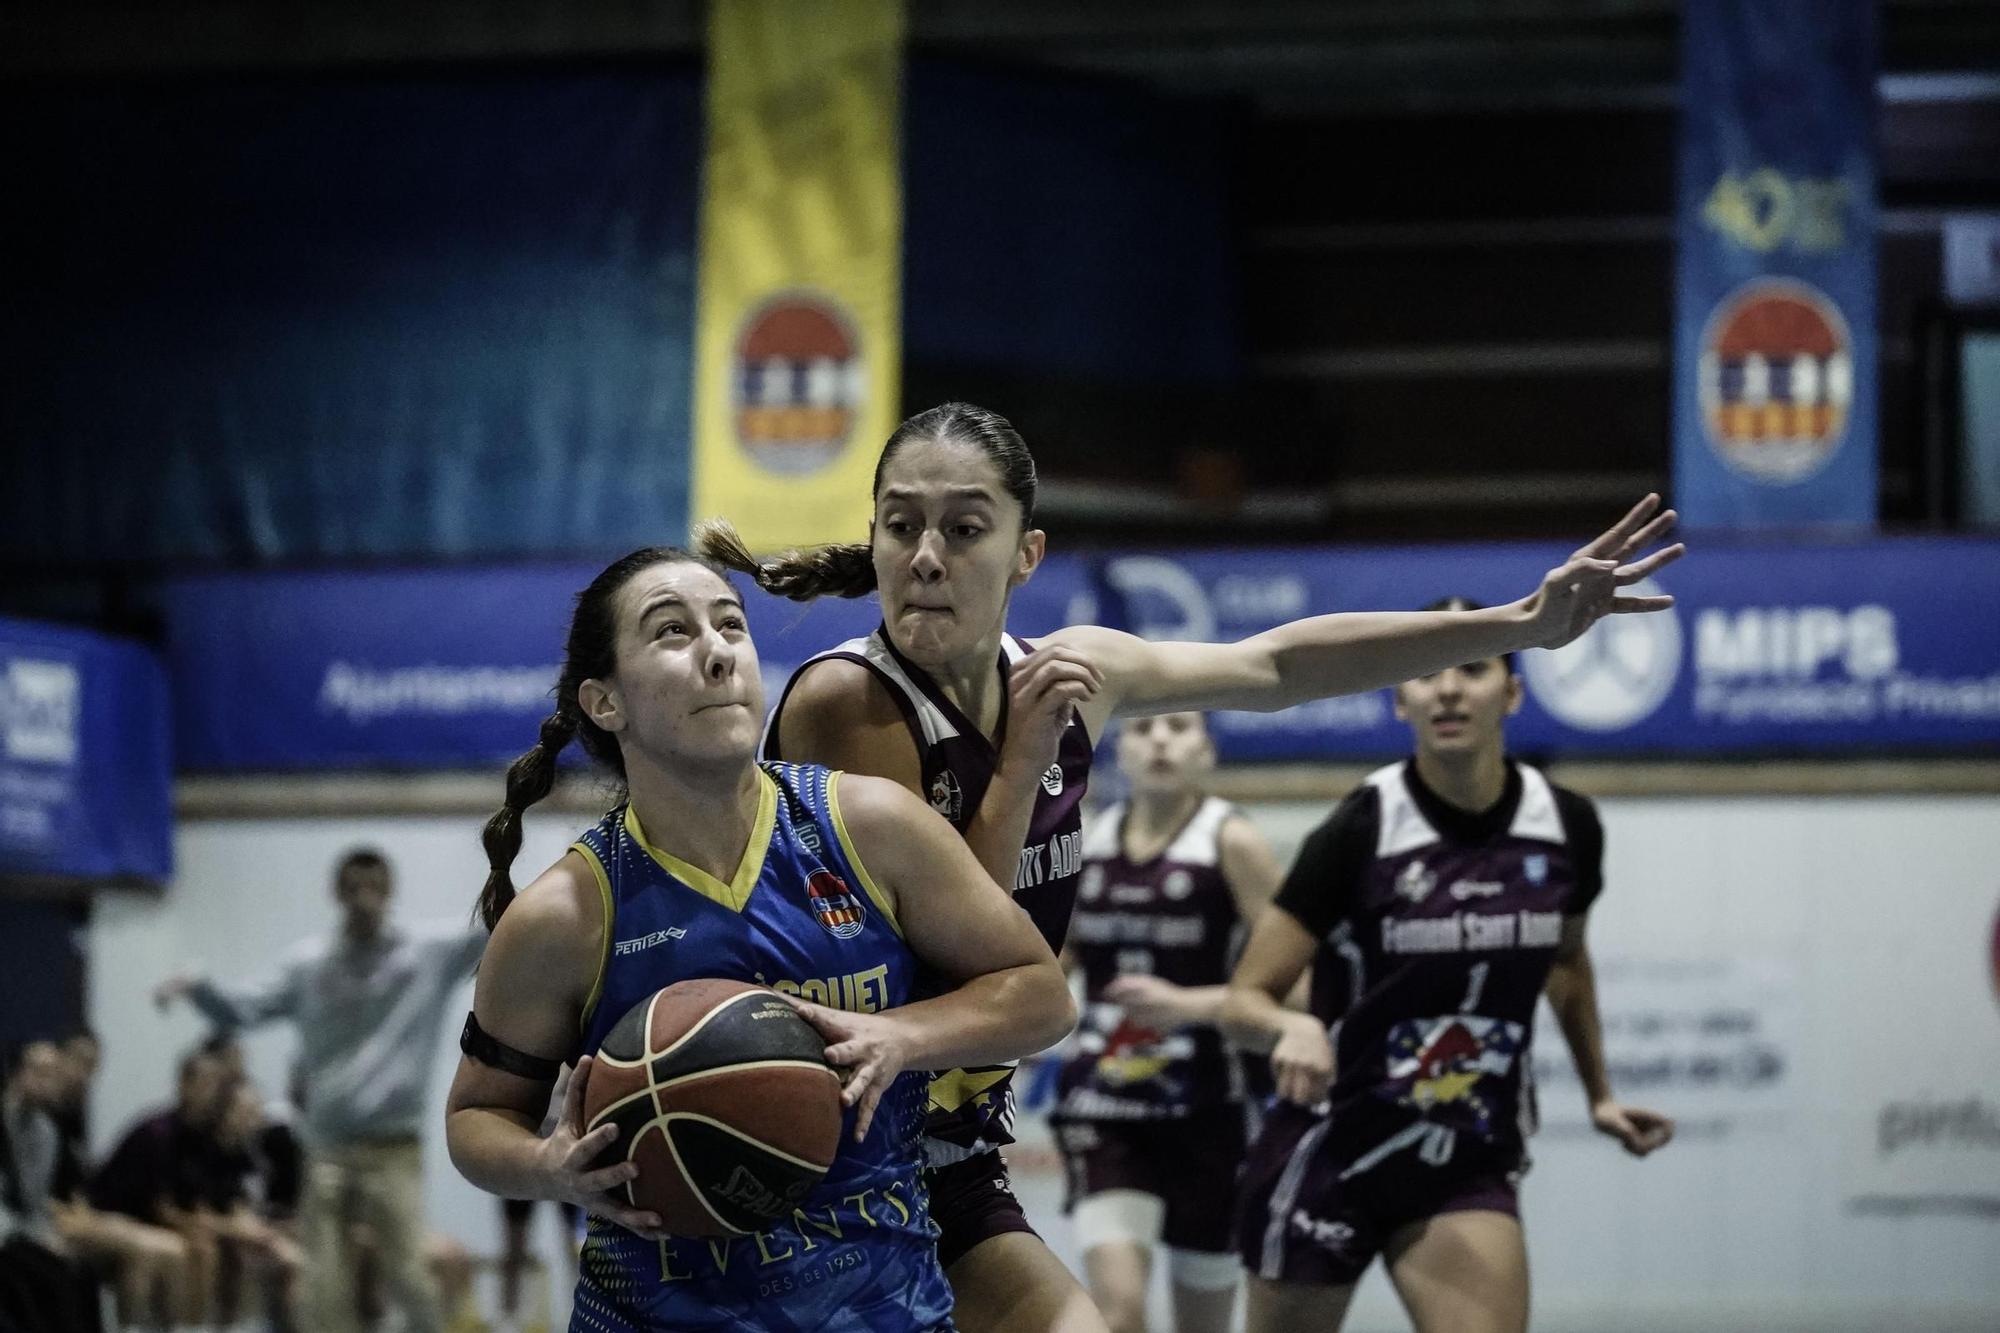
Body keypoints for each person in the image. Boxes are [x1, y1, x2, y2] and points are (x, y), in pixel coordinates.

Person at [697, 399, 1683, 1333]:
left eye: (963, 529)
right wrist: (1021, 766)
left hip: (945, 1144)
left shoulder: (1069, 668)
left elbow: (1276, 665)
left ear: (1024, 554)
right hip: (827, 1149)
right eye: (900, 524)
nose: (923, 556)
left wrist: (1518, 625)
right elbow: (966, 950)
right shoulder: (848, 700)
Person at [442, 545, 1075, 1332]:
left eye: (731, 625)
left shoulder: (869, 825)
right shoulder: (567, 915)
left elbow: (1042, 993)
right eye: (672, 632)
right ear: (605, 702)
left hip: (884, 1312)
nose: (718, 651)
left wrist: (901, 1035)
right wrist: (547, 1167)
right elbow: (474, 1118)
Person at [1219, 600, 1677, 1333]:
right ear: (1400, 698)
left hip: (1467, 1147)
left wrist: (1599, 1093)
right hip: (1332, 1146)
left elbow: (1565, 958)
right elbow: (1245, 997)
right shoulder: (1361, 825)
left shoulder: (1568, 826)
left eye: (1473, 667)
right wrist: (1289, 1027)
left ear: (1513, 692)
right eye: (1426, 674)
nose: (1450, 689)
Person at [153, 848, 486, 1333]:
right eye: (352, 888)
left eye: (373, 886)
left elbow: (493, 931)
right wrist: (197, 986)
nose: (362, 898)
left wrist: (521, 866)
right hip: (327, 1148)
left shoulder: (425, 954)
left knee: (410, 1275)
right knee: (323, 1284)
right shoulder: (310, 966)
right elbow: (243, 1009)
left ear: (390, 890)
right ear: (336, 894)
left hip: (393, 1149)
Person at [1050, 711, 1285, 1333]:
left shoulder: (1231, 842)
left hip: (1211, 1108)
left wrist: (1191, 1006)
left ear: (1207, 750)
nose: (1159, 739)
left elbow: (1299, 980)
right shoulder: (1088, 840)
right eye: (1143, 727)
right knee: (1120, 1312)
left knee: (1201, 1322)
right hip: (1105, 1106)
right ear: (1119, 751)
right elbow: (1059, 961)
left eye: (1179, 727)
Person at [44, 1030, 194, 1332]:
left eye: (93, 1068)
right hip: (48, 1218)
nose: (84, 1075)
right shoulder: (38, 1115)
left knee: (169, 1251)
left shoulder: (71, 1115)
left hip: (79, 1213)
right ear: (58, 1058)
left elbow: (75, 1186)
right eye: (80, 1062)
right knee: (153, 1248)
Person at [90, 1046, 238, 1325]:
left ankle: (193, 1326)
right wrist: (198, 1226)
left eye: (216, 1086)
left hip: (156, 1220)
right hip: (115, 1214)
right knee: (178, 1249)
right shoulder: (157, 1133)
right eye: (205, 1083)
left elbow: (199, 1201)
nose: (212, 1093)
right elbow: (159, 1207)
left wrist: (206, 1223)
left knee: (208, 1247)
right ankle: (135, 1326)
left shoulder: (203, 1138)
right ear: (184, 1084)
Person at [1, 1038, 103, 1333]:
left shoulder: (45, 1131)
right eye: (40, 1072)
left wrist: (43, 1235)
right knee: (42, 1276)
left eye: (52, 1073)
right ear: (18, 1073)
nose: (48, 1081)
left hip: (22, 1227)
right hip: (6, 1231)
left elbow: (33, 1198)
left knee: (82, 1270)